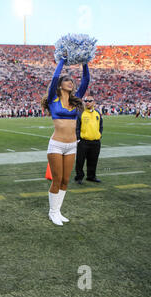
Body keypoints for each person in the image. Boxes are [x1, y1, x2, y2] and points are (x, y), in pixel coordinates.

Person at [41, 57, 90, 226]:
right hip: (56, 145)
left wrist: (85, 62)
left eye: (72, 81)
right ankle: (52, 212)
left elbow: (86, 80)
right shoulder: (53, 100)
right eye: (67, 80)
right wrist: (61, 60)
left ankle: (58, 211)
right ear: (61, 85)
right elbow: (54, 78)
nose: (71, 82)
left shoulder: (75, 102)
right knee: (57, 179)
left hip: (72, 145)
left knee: (65, 180)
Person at [75, 96, 103, 184]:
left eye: (90, 101)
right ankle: (79, 177)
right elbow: (77, 127)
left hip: (95, 141)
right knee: (80, 161)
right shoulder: (81, 113)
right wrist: (78, 139)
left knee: (93, 160)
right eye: (86, 101)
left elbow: (100, 126)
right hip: (83, 141)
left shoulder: (97, 113)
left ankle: (91, 176)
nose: (87, 102)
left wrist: (99, 135)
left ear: (93, 102)